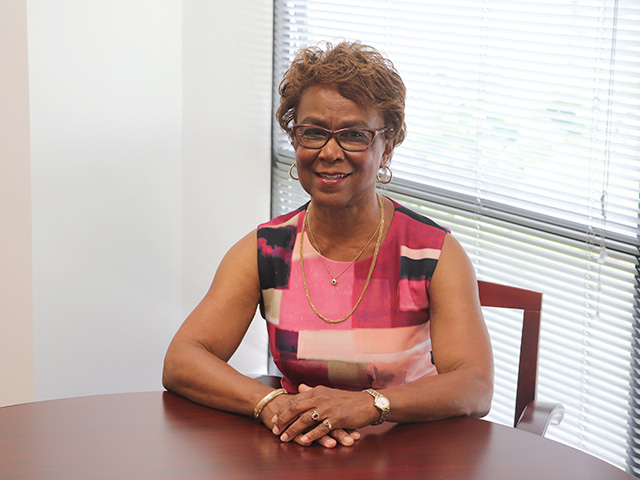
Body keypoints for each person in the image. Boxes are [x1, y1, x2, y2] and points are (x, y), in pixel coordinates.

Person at [163, 41, 493, 449]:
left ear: (387, 145)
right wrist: (268, 403)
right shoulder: (266, 250)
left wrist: (370, 404)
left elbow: (475, 385)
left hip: (410, 454)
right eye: (314, 132)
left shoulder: (433, 253)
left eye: (354, 135)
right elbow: (182, 360)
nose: (330, 152)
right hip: (301, 453)